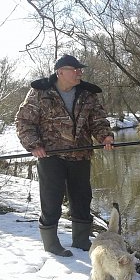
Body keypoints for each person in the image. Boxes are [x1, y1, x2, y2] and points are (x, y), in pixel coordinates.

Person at [15, 54, 114, 257]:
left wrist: (105, 137)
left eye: (80, 69)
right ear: (60, 72)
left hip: (80, 154)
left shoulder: (87, 94)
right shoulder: (40, 92)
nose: (79, 72)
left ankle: (81, 240)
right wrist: (34, 145)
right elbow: (24, 121)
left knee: (82, 197)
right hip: (50, 156)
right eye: (74, 69)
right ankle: (51, 244)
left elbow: (98, 120)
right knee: (51, 200)